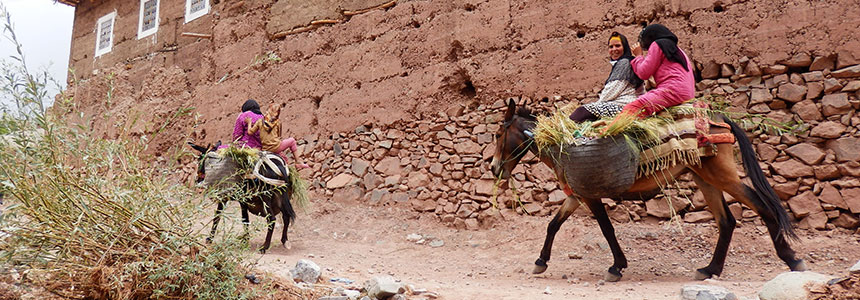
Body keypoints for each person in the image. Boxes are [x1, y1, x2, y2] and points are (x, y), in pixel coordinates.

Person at [622, 24, 695, 117]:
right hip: (687, 93)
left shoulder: (657, 45)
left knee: (634, 108)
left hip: (672, 91)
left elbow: (643, 73)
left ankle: (607, 131)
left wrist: (638, 56)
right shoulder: (679, 50)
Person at [570, 31, 644, 122]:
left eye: (618, 46)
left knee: (582, 111)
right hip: (625, 106)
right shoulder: (625, 62)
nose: (614, 49)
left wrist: (597, 105)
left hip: (624, 107)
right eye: (611, 47)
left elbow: (610, 92)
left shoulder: (624, 63)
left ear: (624, 47)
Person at [247, 104, 309, 169]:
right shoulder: (278, 123)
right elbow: (279, 136)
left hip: (266, 149)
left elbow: (250, 132)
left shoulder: (260, 121)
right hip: (276, 147)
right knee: (292, 141)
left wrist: (249, 122)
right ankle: (298, 162)